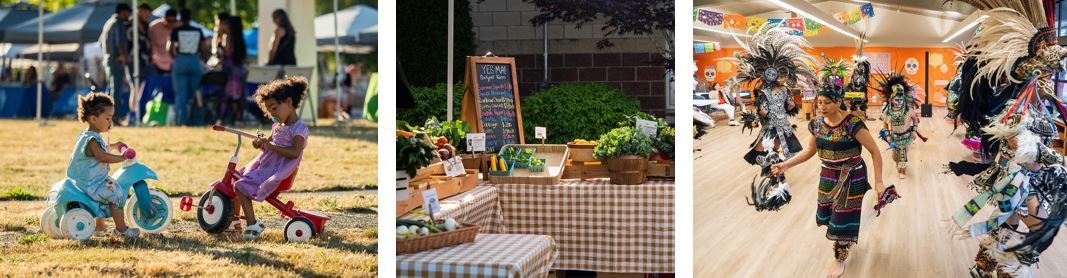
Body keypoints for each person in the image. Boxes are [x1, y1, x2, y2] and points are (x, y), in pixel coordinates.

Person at [943, 4, 1067, 277]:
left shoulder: (1032, 94)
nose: (1048, 76)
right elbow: (1022, 150)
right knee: (1038, 230)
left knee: (1014, 225)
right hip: (1017, 177)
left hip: (1025, 175)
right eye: (1044, 70)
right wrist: (1057, 160)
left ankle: (989, 263)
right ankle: (1001, 264)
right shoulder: (1013, 107)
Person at [771, 85, 888, 278]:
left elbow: (875, 152)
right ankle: (844, 241)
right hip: (828, 175)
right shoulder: (817, 124)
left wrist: (879, 182)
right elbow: (810, 151)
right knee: (830, 214)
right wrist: (786, 165)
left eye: (827, 102)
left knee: (842, 217)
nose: (822, 106)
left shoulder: (853, 123)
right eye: (819, 102)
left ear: (839, 102)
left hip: (852, 175)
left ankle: (840, 258)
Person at [721, 24, 814, 166]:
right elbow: (778, 108)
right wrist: (767, 112)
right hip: (777, 124)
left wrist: (780, 108)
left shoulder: (775, 91)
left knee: (776, 146)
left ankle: (776, 165)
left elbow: (778, 108)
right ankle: (774, 165)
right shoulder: (773, 92)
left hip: (778, 124)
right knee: (772, 146)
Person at [233, 76, 310, 240]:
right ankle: (234, 221)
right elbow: (270, 142)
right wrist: (261, 143)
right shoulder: (278, 125)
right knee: (237, 179)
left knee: (240, 186)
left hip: (278, 172)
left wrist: (272, 146)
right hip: (266, 166)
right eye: (269, 111)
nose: (272, 114)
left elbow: (295, 152)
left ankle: (252, 224)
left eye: (274, 108)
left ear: (289, 102)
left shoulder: (298, 128)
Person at [67, 92, 139, 238]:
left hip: (89, 180)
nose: (110, 122)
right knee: (115, 194)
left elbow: (101, 150)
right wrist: (121, 157)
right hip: (91, 183)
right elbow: (101, 156)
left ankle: (100, 225)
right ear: (94, 119)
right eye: (107, 118)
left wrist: (115, 145)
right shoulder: (92, 140)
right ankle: (122, 230)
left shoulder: (88, 136)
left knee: (111, 185)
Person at [875, 72, 925, 178]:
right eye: (896, 100)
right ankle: (897, 161)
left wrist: (914, 131)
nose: (899, 102)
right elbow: (885, 125)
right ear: (891, 99)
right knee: (894, 156)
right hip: (894, 136)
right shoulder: (888, 111)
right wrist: (888, 135)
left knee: (903, 153)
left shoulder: (909, 110)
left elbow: (915, 121)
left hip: (906, 136)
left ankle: (902, 170)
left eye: (901, 100)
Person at [169, 9, 204, 126]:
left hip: (181, 59)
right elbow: (203, 47)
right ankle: (197, 120)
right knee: (196, 92)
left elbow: (170, 47)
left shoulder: (176, 30)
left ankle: (181, 121)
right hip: (195, 60)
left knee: (180, 93)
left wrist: (175, 57)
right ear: (190, 18)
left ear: (181, 19)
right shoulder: (198, 30)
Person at [99, 3, 132, 123]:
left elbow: (100, 43)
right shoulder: (118, 23)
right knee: (115, 91)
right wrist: (122, 55)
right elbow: (119, 41)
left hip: (108, 61)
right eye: (129, 13)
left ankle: (105, 118)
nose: (129, 16)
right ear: (123, 12)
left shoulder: (108, 23)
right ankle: (114, 118)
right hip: (116, 61)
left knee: (110, 91)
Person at [217, 15, 248, 125]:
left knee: (227, 97)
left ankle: (222, 118)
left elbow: (225, 53)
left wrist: (219, 36)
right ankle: (238, 119)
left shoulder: (229, 38)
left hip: (231, 73)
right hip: (239, 72)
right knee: (238, 97)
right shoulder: (240, 39)